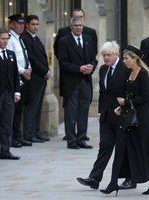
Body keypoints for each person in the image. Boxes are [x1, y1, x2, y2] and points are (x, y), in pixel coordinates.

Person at [77, 41, 131, 189]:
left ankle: (130, 178)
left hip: (122, 114)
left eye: (109, 55)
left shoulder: (125, 68)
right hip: (107, 116)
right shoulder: (102, 69)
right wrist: (101, 111)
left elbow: (130, 91)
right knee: (105, 147)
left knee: (123, 148)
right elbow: (102, 93)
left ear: (116, 54)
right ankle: (94, 178)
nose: (106, 58)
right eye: (103, 55)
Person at [100, 45, 149, 196]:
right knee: (120, 150)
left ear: (135, 59)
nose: (124, 61)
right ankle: (113, 183)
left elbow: (145, 97)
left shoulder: (143, 74)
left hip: (141, 119)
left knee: (144, 151)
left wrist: (125, 103)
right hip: (127, 117)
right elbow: (128, 95)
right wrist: (121, 108)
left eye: (126, 58)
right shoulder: (129, 73)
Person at [54, 8, 97, 141]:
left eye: (80, 26)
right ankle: (72, 140)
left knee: (84, 111)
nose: (78, 28)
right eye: (76, 26)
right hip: (71, 82)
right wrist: (79, 68)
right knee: (71, 112)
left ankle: (82, 137)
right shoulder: (64, 41)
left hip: (85, 80)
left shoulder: (88, 39)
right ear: (71, 27)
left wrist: (91, 67)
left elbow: (93, 58)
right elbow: (63, 63)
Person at [0, 28, 21, 160]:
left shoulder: (11, 54)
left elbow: (14, 75)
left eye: (7, 39)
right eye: (3, 39)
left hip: (9, 93)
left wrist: (17, 91)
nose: (5, 41)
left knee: (7, 122)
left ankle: (6, 150)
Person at [7, 14, 39, 146]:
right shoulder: (10, 39)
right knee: (14, 109)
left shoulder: (20, 39)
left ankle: (17, 135)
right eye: (18, 24)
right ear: (12, 24)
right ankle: (13, 137)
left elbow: (24, 56)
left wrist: (29, 69)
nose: (21, 26)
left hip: (25, 76)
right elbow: (11, 59)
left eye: (22, 24)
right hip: (17, 76)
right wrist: (22, 71)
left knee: (20, 109)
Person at [22, 15, 51, 142]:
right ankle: (29, 134)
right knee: (32, 106)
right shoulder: (25, 38)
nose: (35, 27)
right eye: (33, 24)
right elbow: (32, 59)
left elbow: (43, 57)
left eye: (37, 24)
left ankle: (36, 131)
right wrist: (45, 71)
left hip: (41, 79)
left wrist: (47, 71)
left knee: (38, 106)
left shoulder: (36, 38)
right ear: (27, 25)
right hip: (34, 77)